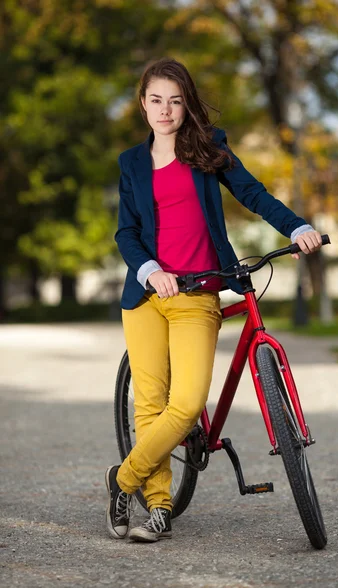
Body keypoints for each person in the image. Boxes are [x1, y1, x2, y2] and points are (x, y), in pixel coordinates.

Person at [105, 57, 322, 543]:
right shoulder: (131, 163)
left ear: (187, 106)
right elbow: (126, 232)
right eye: (156, 100)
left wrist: (298, 226)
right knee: (151, 403)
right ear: (143, 105)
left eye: (175, 101)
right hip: (145, 295)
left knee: (183, 406)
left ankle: (122, 480)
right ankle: (158, 508)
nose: (165, 110)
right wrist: (150, 269)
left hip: (197, 294)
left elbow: (252, 193)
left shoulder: (208, 147)